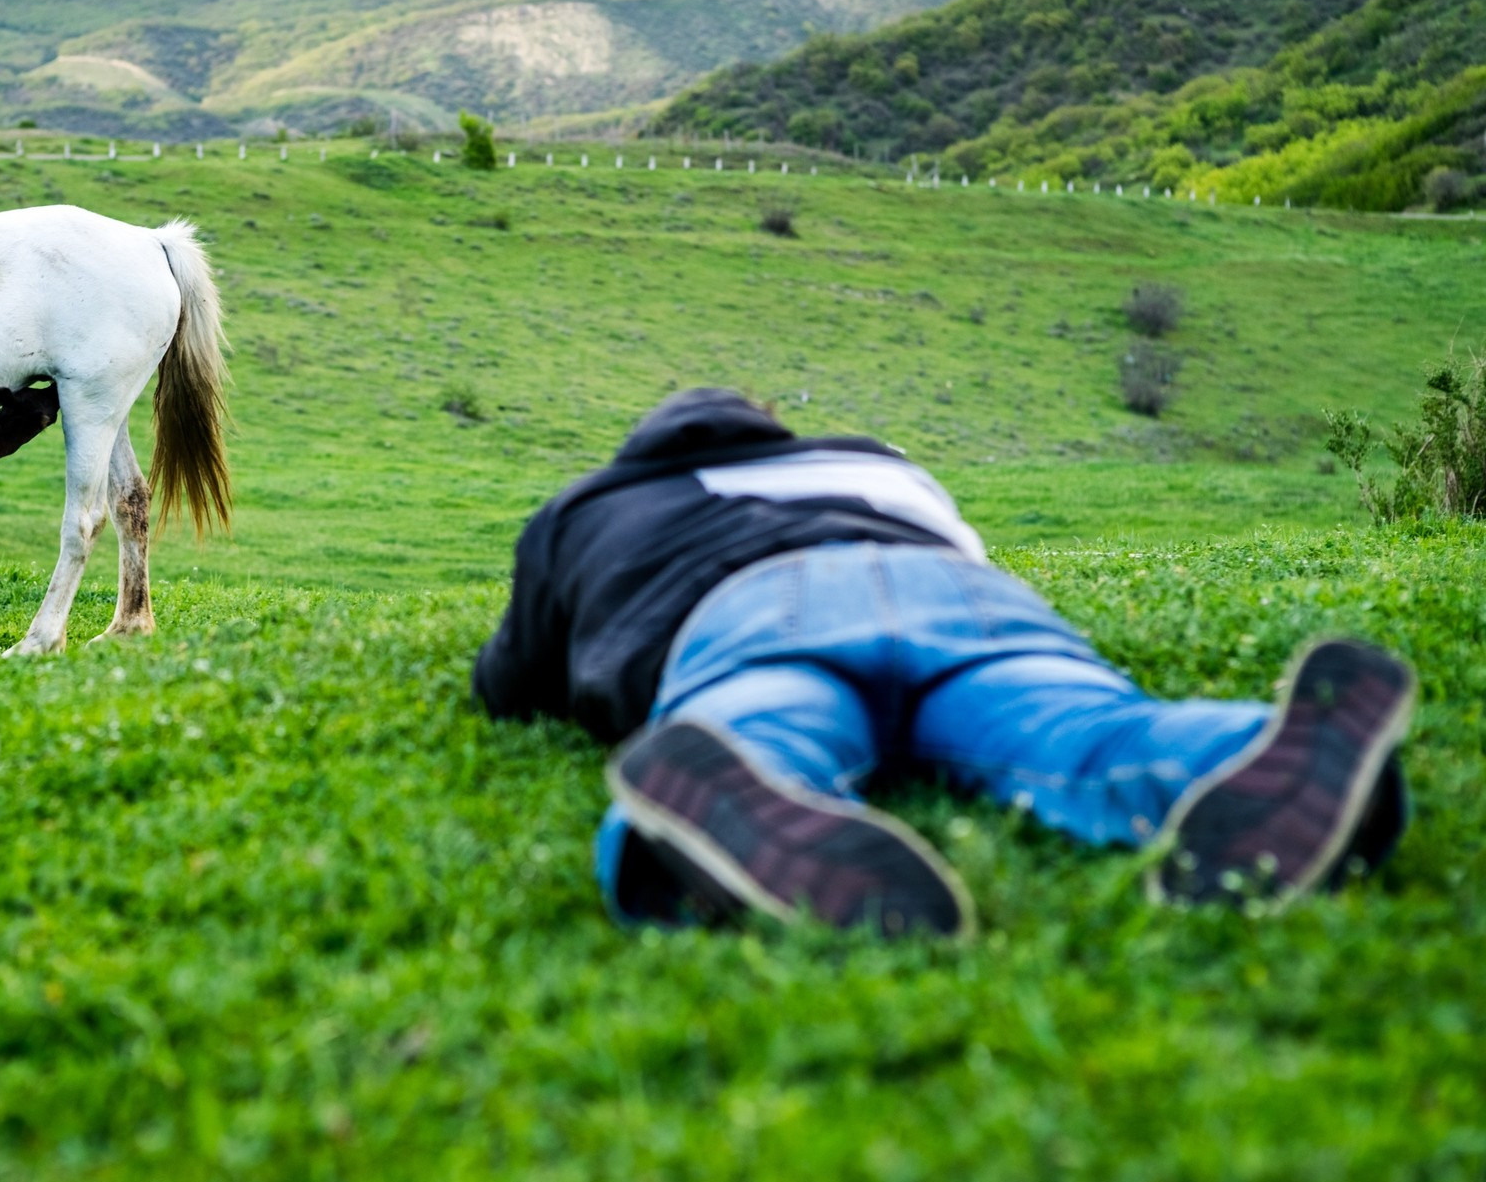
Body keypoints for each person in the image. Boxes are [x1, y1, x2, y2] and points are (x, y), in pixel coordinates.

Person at [474, 388, 1415, 937]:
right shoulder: (877, 464)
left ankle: (722, 810)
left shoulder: (587, 505)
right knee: (1086, 729)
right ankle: (1248, 751)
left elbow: (506, 684)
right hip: (953, 593)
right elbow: (961, 544)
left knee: (759, 721)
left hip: (753, 607)